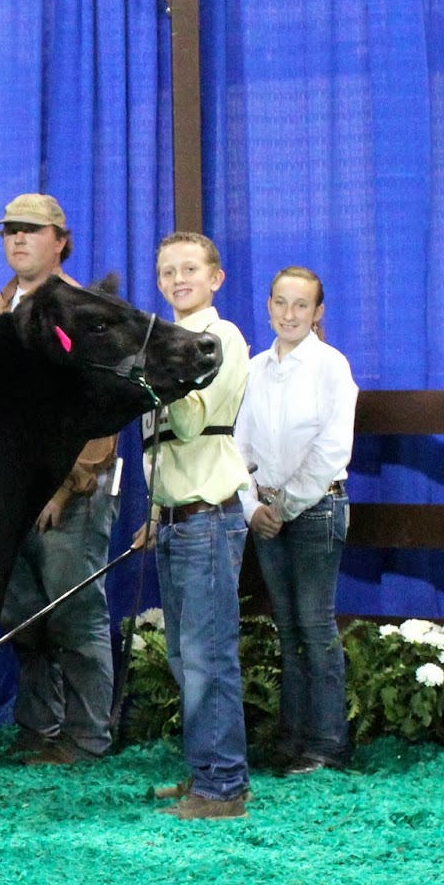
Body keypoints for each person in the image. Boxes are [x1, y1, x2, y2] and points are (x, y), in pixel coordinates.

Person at [0, 194, 120, 767]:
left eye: (31, 230)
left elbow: (101, 409)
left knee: (75, 611)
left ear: (60, 240)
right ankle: (39, 728)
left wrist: (63, 485)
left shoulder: (84, 310)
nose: (18, 239)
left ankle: (86, 737)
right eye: (10, 230)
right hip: (14, 497)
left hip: (71, 494)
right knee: (25, 617)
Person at [134, 231, 251, 820]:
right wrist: (154, 512)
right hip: (177, 519)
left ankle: (224, 787)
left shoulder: (221, 338)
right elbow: (157, 446)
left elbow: (186, 425)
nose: (178, 280)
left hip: (209, 517)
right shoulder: (172, 342)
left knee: (207, 656)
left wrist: (159, 373)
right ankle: (208, 772)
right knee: (185, 657)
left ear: (215, 279)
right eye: (167, 272)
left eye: (189, 269)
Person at [235, 266, 356, 774]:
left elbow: (331, 449)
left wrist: (282, 508)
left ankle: (327, 744)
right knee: (289, 628)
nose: (290, 313)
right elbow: (236, 443)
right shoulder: (254, 367)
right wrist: (251, 507)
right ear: (268, 306)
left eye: (301, 305)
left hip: (317, 509)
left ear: (318, 312)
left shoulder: (331, 367)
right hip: (265, 512)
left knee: (313, 624)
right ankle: (291, 739)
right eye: (281, 303)